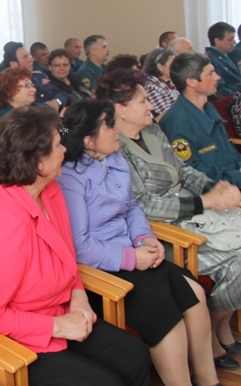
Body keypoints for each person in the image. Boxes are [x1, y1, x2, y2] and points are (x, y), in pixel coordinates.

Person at [0, 106, 151, 386]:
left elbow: (67, 258)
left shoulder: (50, 189)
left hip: (54, 311)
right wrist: (57, 326)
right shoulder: (1, 221)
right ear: (39, 162)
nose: (65, 149)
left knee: (135, 355)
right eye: (58, 145)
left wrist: (79, 297)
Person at [59, 100, 225, 383]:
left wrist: (144, 238)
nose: (117, 130)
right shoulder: (69, 178)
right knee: (165, 315)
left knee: (195, 294)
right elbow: (80, 248)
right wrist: (132, 258)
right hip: (104, 269)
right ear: (89, 141)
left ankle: (208, 380)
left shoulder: (115, 158)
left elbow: (133, 207)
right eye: (110, 125)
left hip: (134, 252)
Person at [98, 68, 241, 366]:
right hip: (165, 230)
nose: (151, 106)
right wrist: (202, 202)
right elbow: (144, 204)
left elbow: (184, 171)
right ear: (120, 110)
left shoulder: (152, 131)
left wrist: (215, 189)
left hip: (194, 211)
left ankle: (219, 326)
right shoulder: (113, 147)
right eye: (143, 101)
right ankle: (213, 334)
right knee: (238, 259)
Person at [160, 52, 241, 189]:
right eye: (210, 74)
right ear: (192, 82)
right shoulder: (177, 122)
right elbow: (193, 173)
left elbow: (229, 151)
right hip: (218, 190)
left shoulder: (208, 108)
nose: (218, 77)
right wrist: (236, 176)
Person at [205, 21, 241, 97]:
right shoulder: (211, 59)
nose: (234, 42)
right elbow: (220, 90)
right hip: (230, 99)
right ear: (217, 41)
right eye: (230, 39)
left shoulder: (223, 55)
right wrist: (237, 96)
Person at [142, 48, 179, 119]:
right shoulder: (152, 87)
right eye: (172, 64)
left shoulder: (171, 81)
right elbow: (165, 115)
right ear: (160, 67)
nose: (176, 67)